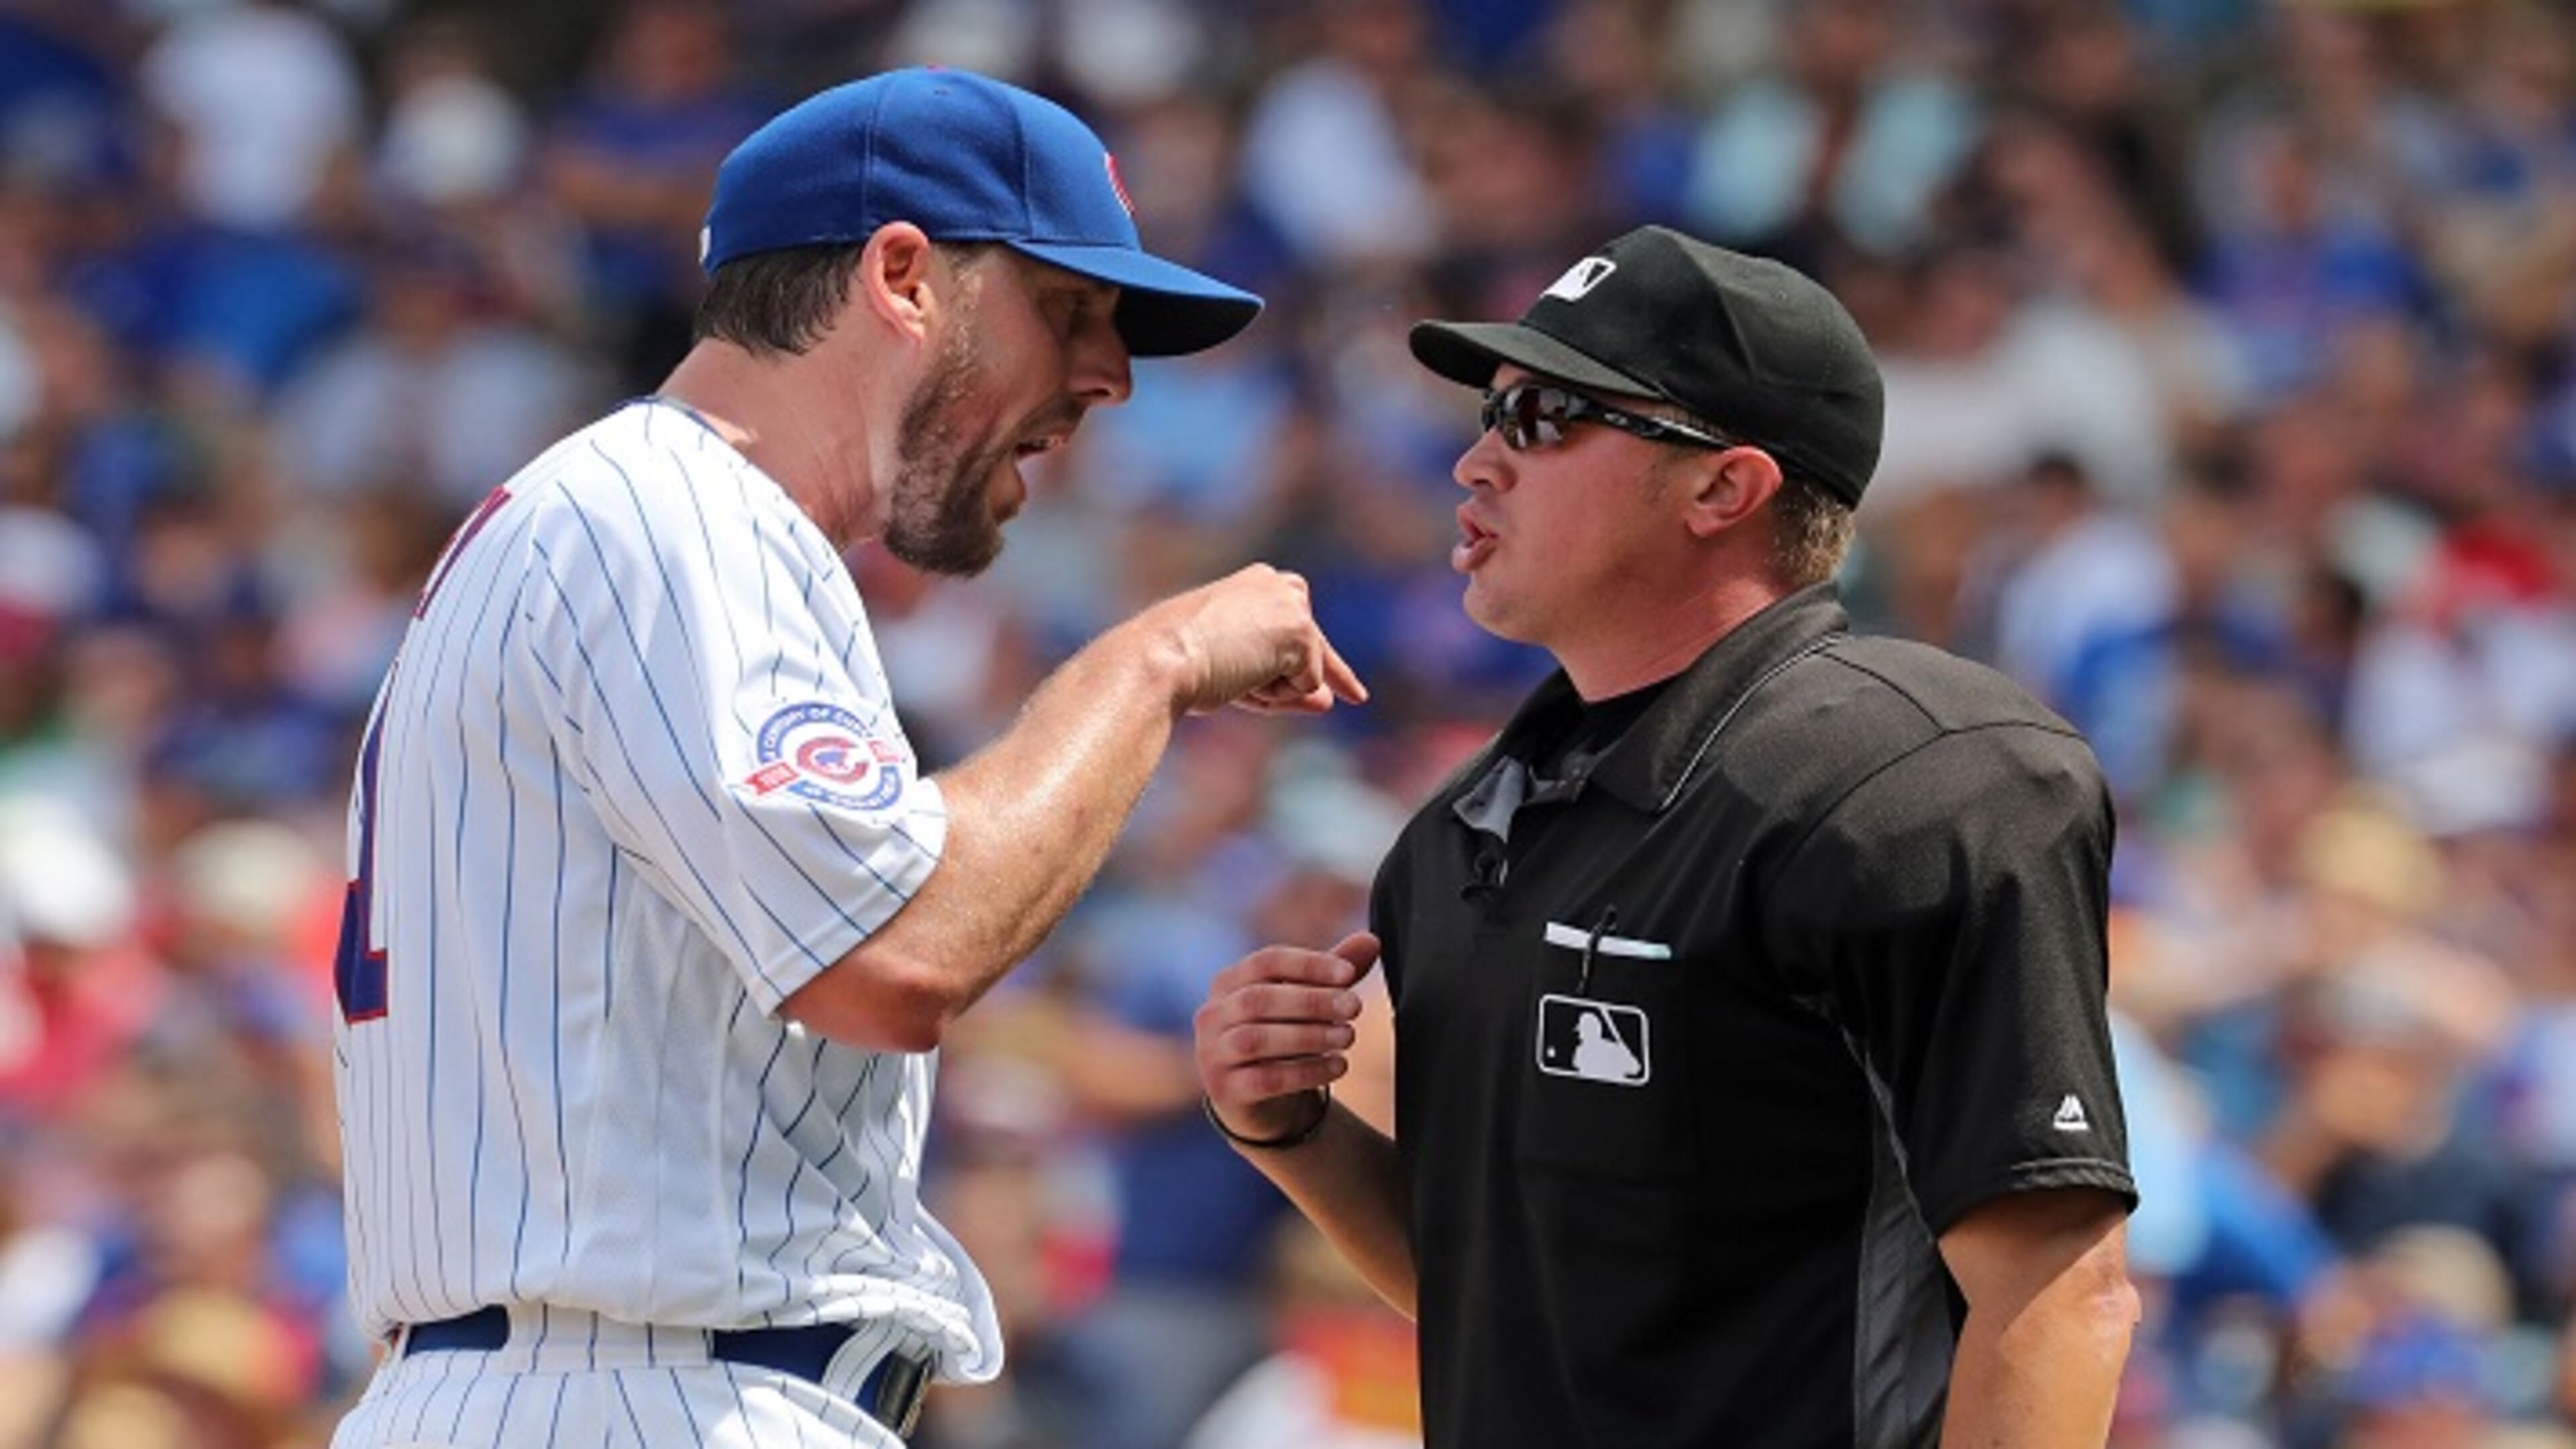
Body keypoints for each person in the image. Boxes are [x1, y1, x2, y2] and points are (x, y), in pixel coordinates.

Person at [327, 68, 1362, 1449]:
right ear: (903, 276)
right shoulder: (686, 521)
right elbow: (899, 954)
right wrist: (1151, 664)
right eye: (1069, 312)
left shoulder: (637, 517)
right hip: (637, 1392)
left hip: (600, 1378)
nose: (1108, 376)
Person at [1193, 225, 2140, 1447]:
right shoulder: (1455, 838)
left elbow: (2059, 1296)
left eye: (1542, 417)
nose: (1477, 462)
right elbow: (1515, 1306)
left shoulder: (1923, 779)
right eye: (1490, 411)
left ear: (1723, 488)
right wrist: (1297, 1132)